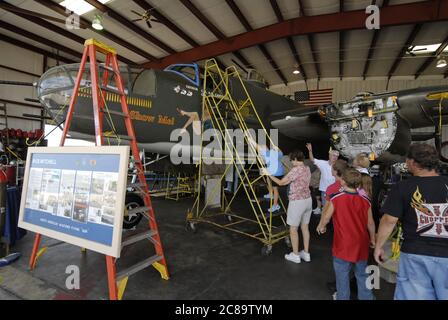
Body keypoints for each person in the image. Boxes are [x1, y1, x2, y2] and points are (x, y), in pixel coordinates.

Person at [374, 143, 448, 300]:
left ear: (414, 162)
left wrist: (378, 246)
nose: (406, 163)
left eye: (407, 160)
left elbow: (389, 220)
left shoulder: (403, 187)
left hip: (416, 255)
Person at [317, 168, 376, 300]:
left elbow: (326, 217)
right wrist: (373, 239)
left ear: (342, 181)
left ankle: (342, 297)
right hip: (361, 244)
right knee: (362, 274)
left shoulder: (336, 198)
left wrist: (322, 227)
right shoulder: (365, 200)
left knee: (342, 276)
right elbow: (370, 223)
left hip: (343, 244)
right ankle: (367, 297)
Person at [265, 150, 312, 263]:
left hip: (297, 202)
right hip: (308, 200)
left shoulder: (295, 170)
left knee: (293, 229)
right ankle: (306, 253)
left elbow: (281, 183)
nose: (291, 162)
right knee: (305, 227)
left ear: (295, 159)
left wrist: (268, 174)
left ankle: (295, 255)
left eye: (292, 160)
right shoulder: (307, 168)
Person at [248, 136, 284, 213]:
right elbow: (281, 152)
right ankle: (271, 193)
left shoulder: (267, 153)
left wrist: (250, 139)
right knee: (268, 178)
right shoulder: (277, 153)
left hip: (276, 173)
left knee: (275, 189)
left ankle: (275, 205)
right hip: (277, 171)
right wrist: (277, 148)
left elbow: (257, 147)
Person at [306, 143, 339, 213]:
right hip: (325, 190)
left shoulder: (338, 166)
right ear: (329, 155)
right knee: (325, 207)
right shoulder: (323, 163)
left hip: (335, 190)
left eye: (337, 156)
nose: (335, 157)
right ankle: (326, 221)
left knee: (334, 207)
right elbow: (312, 159)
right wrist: (310, 151)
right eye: (333, 155)